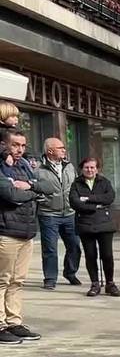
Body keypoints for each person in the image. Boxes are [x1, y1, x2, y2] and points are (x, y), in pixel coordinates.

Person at [0, 128, 53, 344]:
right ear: (5, 144)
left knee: (18, 281)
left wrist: (29, 186)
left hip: (27, 231)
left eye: (23, 145)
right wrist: (34, 194)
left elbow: (48, 187)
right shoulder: (1, 166)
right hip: (6, 231)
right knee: (2, 280)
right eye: (15, 145)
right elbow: (10, 194)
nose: (20, 149)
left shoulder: (24, 165)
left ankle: (14, 322)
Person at [34, 137, 82, 289]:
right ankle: (50, 278)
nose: (64, 150)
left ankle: (70, 272)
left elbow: (75, 185)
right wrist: (42, 199)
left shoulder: (69, 166)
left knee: (74, 246)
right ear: (50, 151)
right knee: (50, 249)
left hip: (70, 213)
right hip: (48, 214)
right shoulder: (38, 169)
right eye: (60, 148)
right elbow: (32, 187)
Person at [69, 157, 120, 297]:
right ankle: (95, 284)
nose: (89, 170)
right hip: (85, 224)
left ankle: (110, 283)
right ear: (82, 169)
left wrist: (88, 199)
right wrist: (96, 206)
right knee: (91, 255)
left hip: (105, 224)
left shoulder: (104, 182)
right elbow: (74, 202)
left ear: (97, 169)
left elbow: (109, 198)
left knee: (107, 255)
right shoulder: (76, 184)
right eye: (86, 167)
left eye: (92, 167)